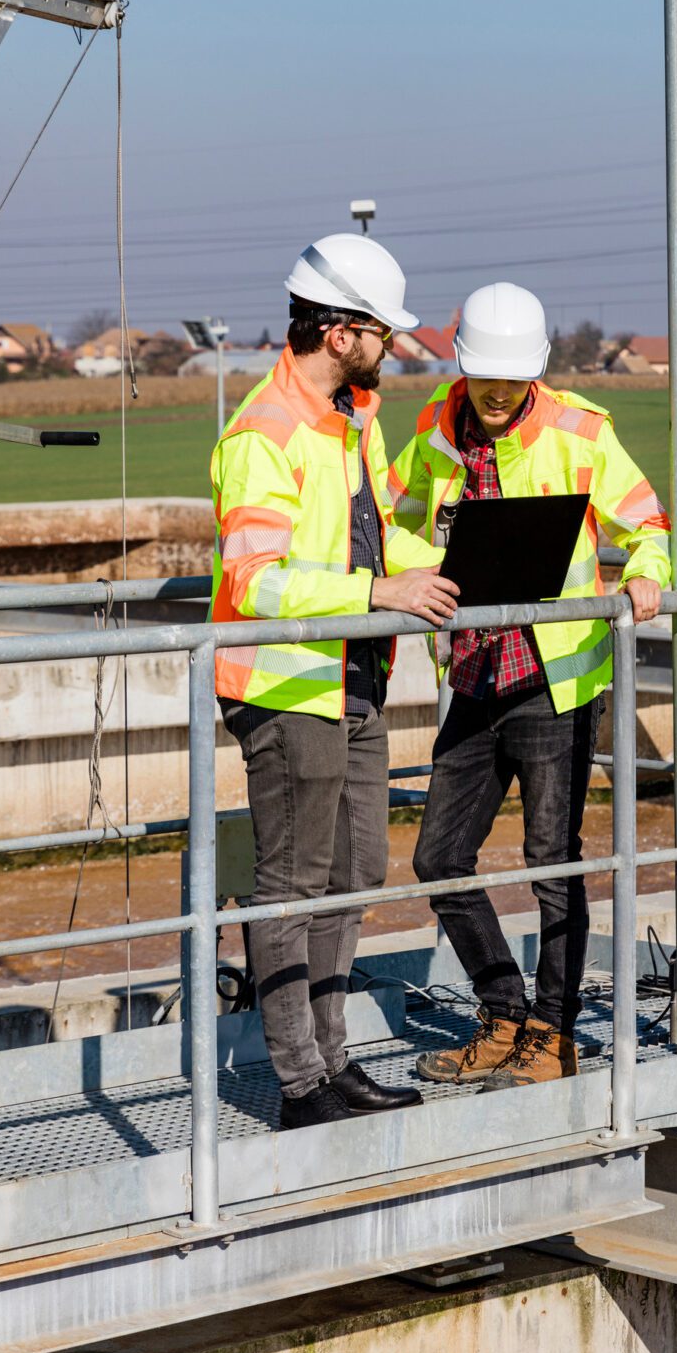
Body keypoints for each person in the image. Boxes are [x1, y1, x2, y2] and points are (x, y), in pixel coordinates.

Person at [389, 282, 669, 1089]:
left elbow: (647, 524)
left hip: (556, 678)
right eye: (488, 378)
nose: (502, 393)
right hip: (474, 674)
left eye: (515, 378)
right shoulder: (433, 432)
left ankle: (554, 1035)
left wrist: (647, 575)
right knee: (440, 857)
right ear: (463, 367)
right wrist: (417, 576)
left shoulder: (582, 431)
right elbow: (400, 520)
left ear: (536, 371)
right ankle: (503, 1010)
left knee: (553, 862)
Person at [211, 234, 460, 1129]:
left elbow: (376, 537)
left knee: (355, 869)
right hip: (286, 690)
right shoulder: (262, 434)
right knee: (291, 885)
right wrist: (375, 591)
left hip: (355, 677)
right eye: (384, 333)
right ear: (343, 330)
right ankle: (299, 1085)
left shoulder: (351, 420)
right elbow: (255, 580)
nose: (392, 349)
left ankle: (334, 1061)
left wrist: (460, 569)